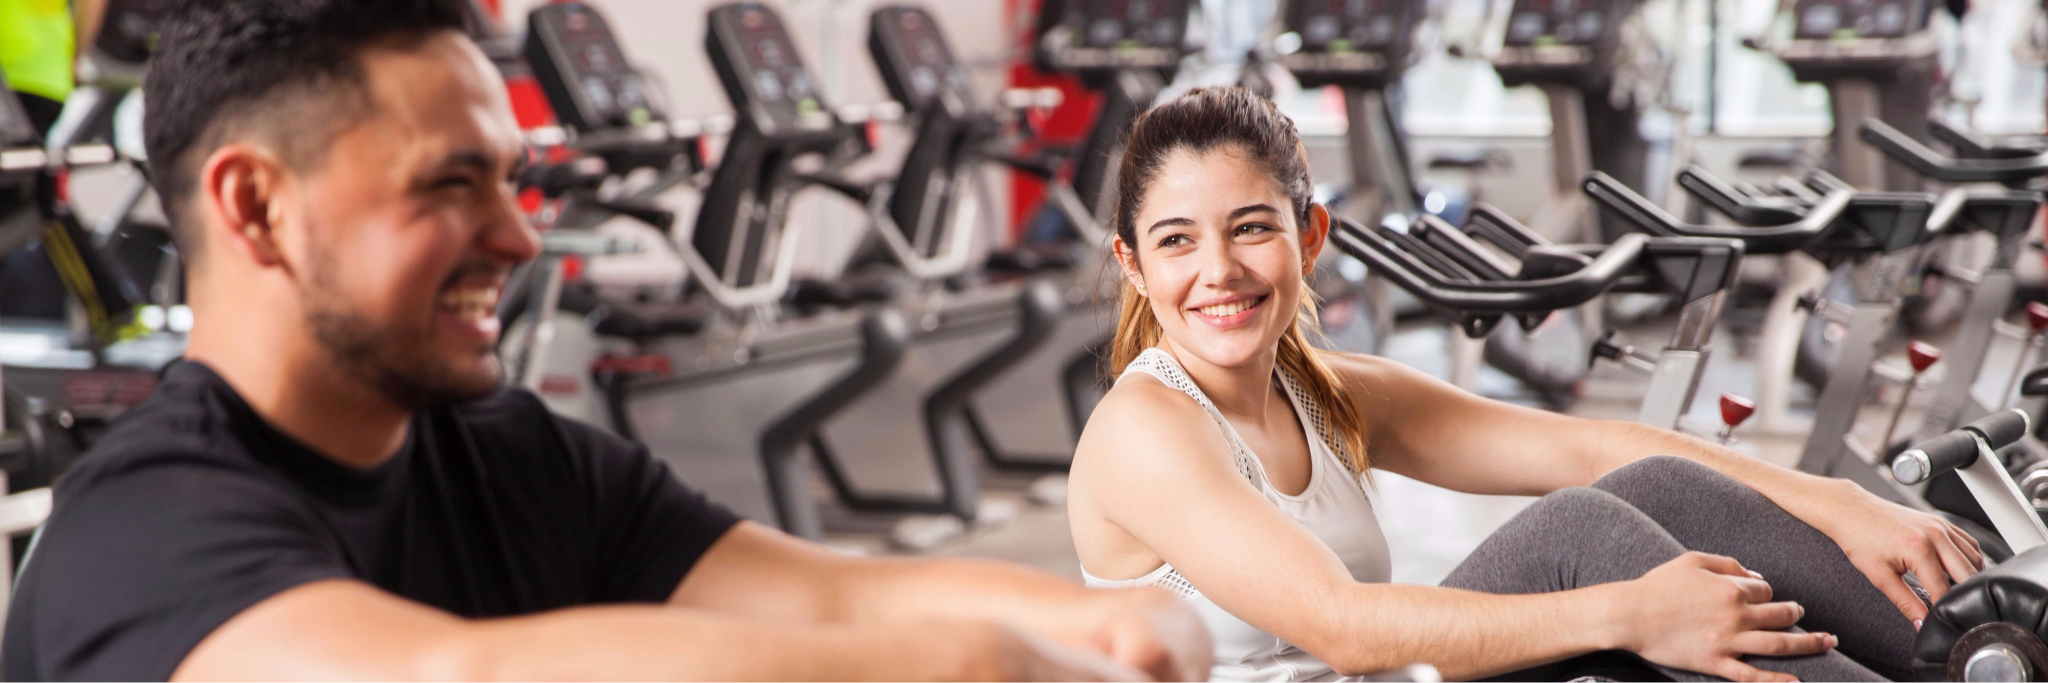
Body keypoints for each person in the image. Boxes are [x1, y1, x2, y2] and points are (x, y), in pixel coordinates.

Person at [0, 1, 1212, 681]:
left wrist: (1104, 618)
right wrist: (962, 666)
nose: (517, 241)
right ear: (254, 205)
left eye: (512, 182)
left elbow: (833, 598)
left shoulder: (508, 449)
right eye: (450, 185)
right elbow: (439, 677)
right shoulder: (140, 531)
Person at [1067, 86, 1981, 683]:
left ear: (1310, 237)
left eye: (1250, 227)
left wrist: (1834, 500)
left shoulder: (1328, 391)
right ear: (1136, 266)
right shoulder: (1145, 427)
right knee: (1582, 535)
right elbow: (1343, 626)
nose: (1218, 269)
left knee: (1650, 487)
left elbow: (1596, 445)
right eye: (1177, 240)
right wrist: (1630, 609)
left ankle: (1985, 649)